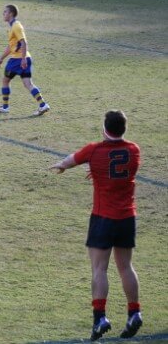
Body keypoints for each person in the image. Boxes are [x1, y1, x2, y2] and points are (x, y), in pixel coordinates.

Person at [50, 110, 143, 341]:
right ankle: (134, 312)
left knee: (99, 269)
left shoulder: (94, 150)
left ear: (104, 128)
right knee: (126, 267)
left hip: (103, 218)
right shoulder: (134, 150)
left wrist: (62, 165)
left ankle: (100, 317)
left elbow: (70, 160)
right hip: (127, 217)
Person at [0, 4, 50, 116]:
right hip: (24, 58)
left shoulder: (16, 26)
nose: (3, 14)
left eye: (5, 12)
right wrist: (1, 58)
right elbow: (11, 46)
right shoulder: (12, 27)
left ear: (11, 13)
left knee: (5, 81)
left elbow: (24, 42)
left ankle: (5, 107)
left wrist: (22, 59)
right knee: (28, 83)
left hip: (17, 60)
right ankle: (43, 105)